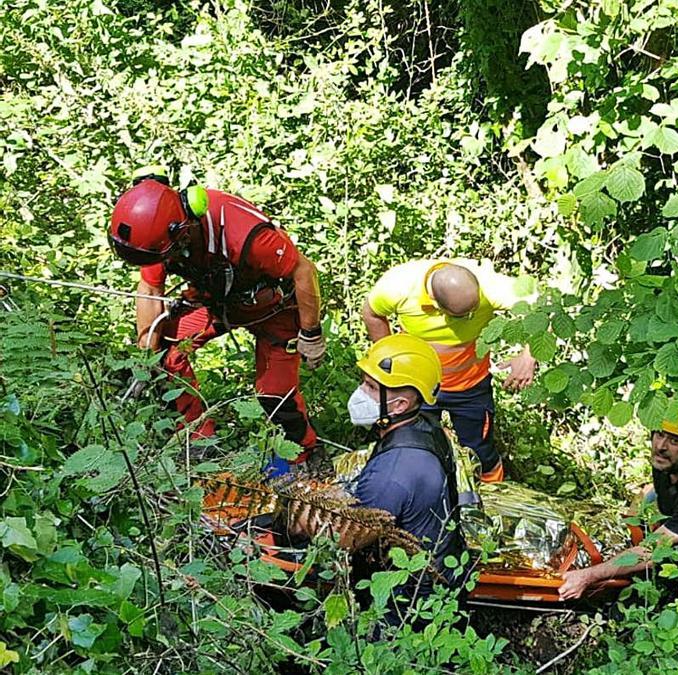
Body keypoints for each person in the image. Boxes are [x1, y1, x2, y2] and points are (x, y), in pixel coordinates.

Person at [107, 167, 324, 473]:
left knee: (274, 391)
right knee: (167, 354)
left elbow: (303, 272)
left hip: (274, 306)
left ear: (183, 231)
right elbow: (150, 287)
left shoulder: (246, 236)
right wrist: (146, 353)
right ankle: (198, 440)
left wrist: (311, 333)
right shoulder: (158, 240)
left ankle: (301, 454)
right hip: (218, 298)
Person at [362, 260, 537, 483]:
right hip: (419, 387)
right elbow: (371, 312)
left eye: (473, 312)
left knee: (480, 451)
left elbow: (546, 306)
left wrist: (529, 356)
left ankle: (492, 498)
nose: (469, 318)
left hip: (471, 387)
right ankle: (427, 491)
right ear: (434, 302)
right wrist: (390, 362)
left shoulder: (490, 286)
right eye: (461, 316)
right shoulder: (399, 285)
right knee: (414, 443)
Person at [557, 404, 678, 600]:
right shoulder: (667, 462)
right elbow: (651, 490)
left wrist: (587, 576)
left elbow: (652, 552)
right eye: (659, 434)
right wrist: (629, 523)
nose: (661, 446)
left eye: (674, 441)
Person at [347, 333, 466, 606]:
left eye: (370, 387)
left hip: (408, 596)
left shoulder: (391, 475)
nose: (360, 393)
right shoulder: (428, 427)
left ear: (399, 405)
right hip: (443, 567)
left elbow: (351, 538)